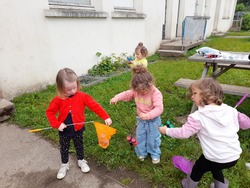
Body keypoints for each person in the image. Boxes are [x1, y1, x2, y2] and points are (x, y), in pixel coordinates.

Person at [159, 78, 250, 188]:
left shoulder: (198, 117)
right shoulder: (231, 111)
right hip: (233, 156)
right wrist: (237, 115)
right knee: (216, 167)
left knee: (198, 169)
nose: (192, 96)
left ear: (207, 94)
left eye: (195, 93)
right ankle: (220, 186)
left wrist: (166, 130)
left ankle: (188, 185)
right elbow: (246, 125)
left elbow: (184, 133)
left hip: (214, 156)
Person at [46, 68, 112, 180]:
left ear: (77, 84)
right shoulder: (58, 99)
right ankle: (64, 165)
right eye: (68, 89)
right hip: (64, 130)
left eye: (74, 87)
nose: (72, 91)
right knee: (64, 147)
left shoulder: (82, 96)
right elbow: (50, 112)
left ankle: (81, 161)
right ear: (60, 88)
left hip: (78, 128)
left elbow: (94, 106)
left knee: (79, 145)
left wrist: (105, 116)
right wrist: (57, 124)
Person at [110, 65, 163, 164]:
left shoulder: (156, 93)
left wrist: (148, 115)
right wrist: (116, 98)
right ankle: (141, 152)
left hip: (153, 121)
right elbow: (126, 94)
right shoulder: (136, 91)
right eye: (139, 91)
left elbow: (159, 108)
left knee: (153, 138)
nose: (142, 92)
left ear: (150, 84)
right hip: (141, 120)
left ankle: (154, 153)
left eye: (144, 90)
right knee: (140, 137)